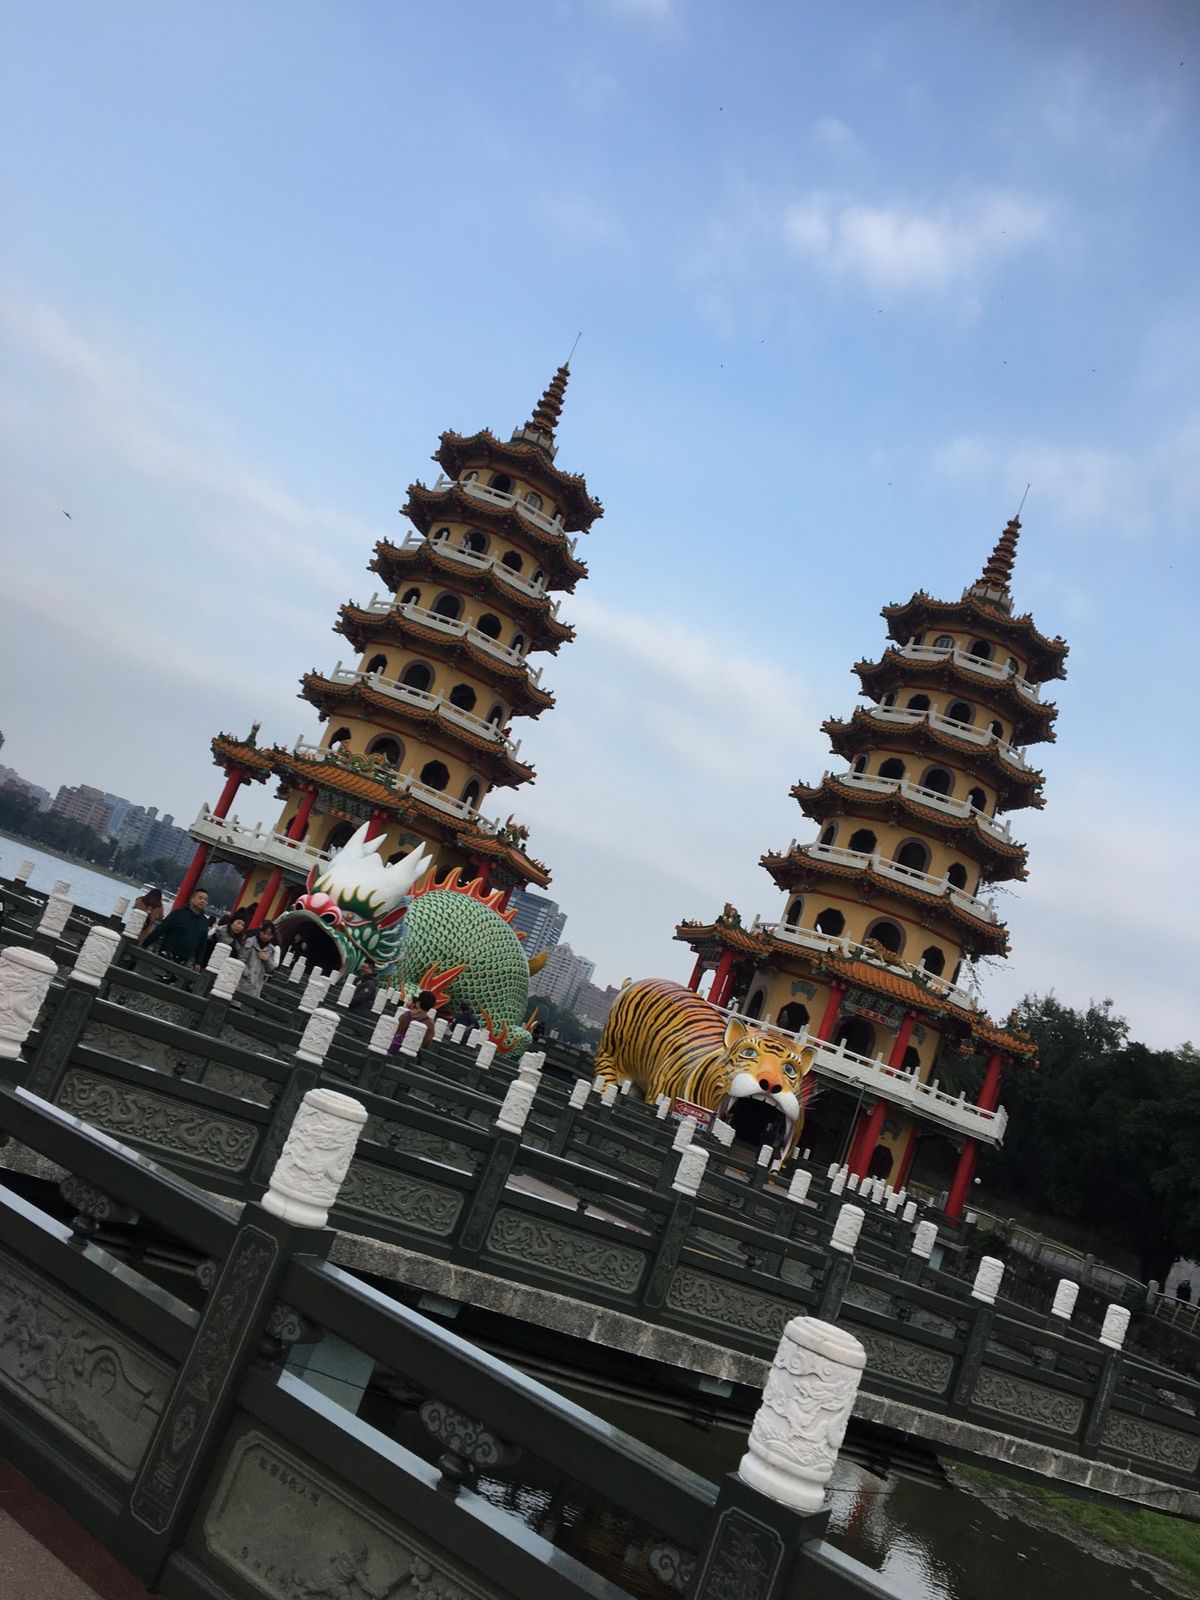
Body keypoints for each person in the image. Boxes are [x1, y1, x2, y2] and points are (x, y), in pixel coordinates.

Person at [144, 889, 211, 969]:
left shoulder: (204, 922)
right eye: (200, 898)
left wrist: (197, 962)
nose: (203, 901)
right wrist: (145, 944)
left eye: (205, 900)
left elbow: (202, 944)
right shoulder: (178, 913)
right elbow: (161, 929)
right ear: (192, 899)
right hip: (167, 953)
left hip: (184, 960)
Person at [389, 989, 438, 1056]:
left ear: (418, 1003)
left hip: (394, 1050)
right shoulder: (430, 1025)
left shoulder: (406, 1015)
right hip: (413, 1055)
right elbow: (427, 1045)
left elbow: (394, 1031)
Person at [239, 920, 279, 999]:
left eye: (269, 935)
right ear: (260, 931)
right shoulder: (250, 942)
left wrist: (267, 959)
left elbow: (271, 969)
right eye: (264, 933)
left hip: (256, 986)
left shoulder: (270, 949)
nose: (266, 936)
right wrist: (247, 975)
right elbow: (241, 960)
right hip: (243, 983)